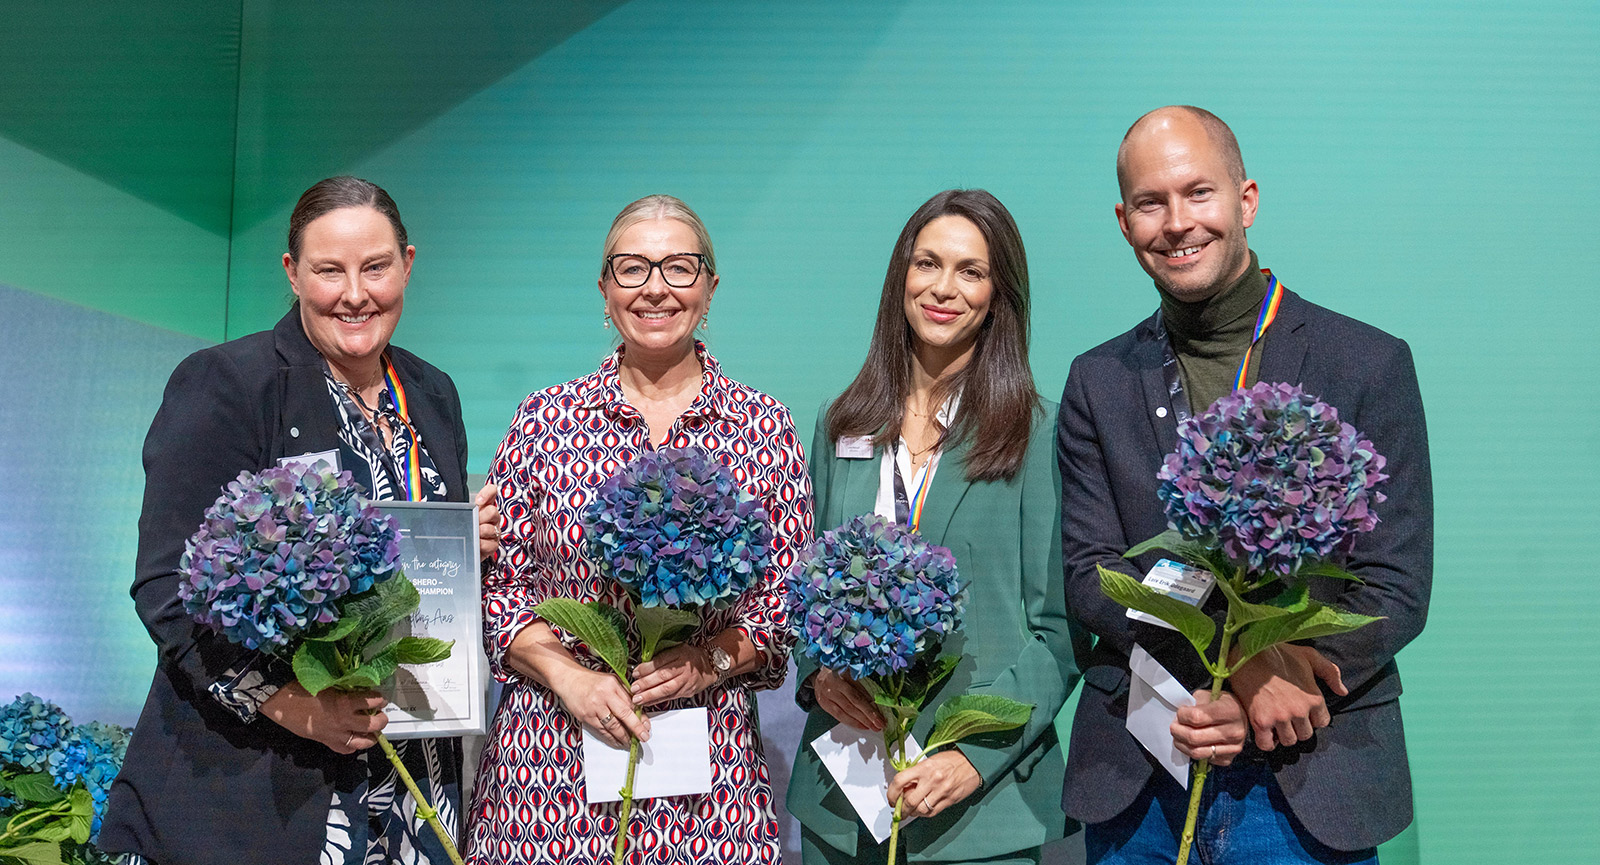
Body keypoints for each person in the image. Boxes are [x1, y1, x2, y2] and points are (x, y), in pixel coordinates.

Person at [1057, 106, 1433, 864]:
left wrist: (1278, 681)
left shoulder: (1366, 363)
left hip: (1308, 769)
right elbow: (1092, 575)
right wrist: (1243, 663)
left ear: (1246, 199)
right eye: (1151, 203)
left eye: (1198, 192)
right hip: (1140, 776)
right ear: (1124, 221)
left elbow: (1393, 585)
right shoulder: (1097, 380)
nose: (1176, 222)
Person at [100, 177, 500, 865]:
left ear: (407, 262)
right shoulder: (230, 381)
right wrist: (289, 702)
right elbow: (167, 584)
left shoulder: (432, 393)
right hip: (261, 782)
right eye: (328, 270)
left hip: (411, 775)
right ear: (292, 273)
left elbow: (407, 566)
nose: (355, 293)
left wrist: (465, 543)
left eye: (376, 266)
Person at [465, 194, 813, 865]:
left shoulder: (764, 425)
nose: (656, 287)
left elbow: (782, 601)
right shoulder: (543, 420)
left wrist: (703, 662)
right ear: (604, 289)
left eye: (679, 268)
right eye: (632, 268)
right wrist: (570, 676)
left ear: (711, 287)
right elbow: (502, 588)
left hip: (708, 780)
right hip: (550, 764)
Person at [787, 189, 1083, 865]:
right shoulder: (841, 426)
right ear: (902, 276)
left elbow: (1060, 634)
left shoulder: (1041, 434)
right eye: (928, 263)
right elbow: (805, 599)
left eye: (970, 271)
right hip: (843, 804)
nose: (943, 287)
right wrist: (817, 678)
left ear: (998, 293)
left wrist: (973, 757)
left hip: (979, 811)